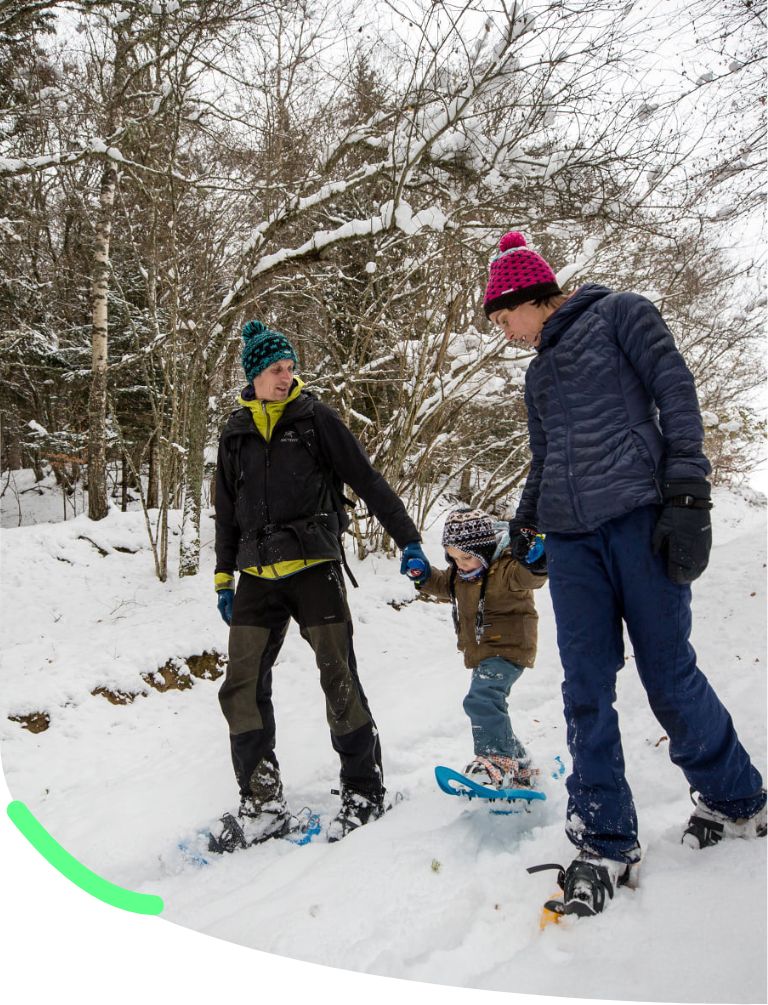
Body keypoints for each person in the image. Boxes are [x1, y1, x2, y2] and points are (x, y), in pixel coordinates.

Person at [482, 230, 766, 917]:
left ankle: (737, 798)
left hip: (640, 519)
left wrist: (689, 491)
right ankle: (604, 837)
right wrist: (525, 526)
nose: (503, 332)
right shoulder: (537, 373)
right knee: (584, 687)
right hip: (575, 544)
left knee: (668, 673)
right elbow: (544, 456)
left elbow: (676, 389)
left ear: (528, 295)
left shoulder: (622, 314)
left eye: (502, 317)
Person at [212, 319, 429, 849]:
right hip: (255, 577)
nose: (287, 378)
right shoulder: (234, 432)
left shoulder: (315, 419)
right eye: (276, 370)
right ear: (254, 376)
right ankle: (262, 804)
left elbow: (367, 479)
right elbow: (225, 511)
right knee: (241, 688)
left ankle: (363, 791)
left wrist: (408, 540)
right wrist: (223, 575)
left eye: (290, 368)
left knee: (338, 678)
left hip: (314, 567)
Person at [414, 507, 548, 788]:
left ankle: (496, 761)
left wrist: (538, 561)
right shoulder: (460, 575)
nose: (460, 564)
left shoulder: (507, 569)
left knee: (481, 700)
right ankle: (521, 765)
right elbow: (442, 584)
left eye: (466, 557)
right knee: (489, 705)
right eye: (453, 557)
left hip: (510, 649)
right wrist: (423, 575)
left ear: (484, 549)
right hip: (483, 653)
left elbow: (531, 577)